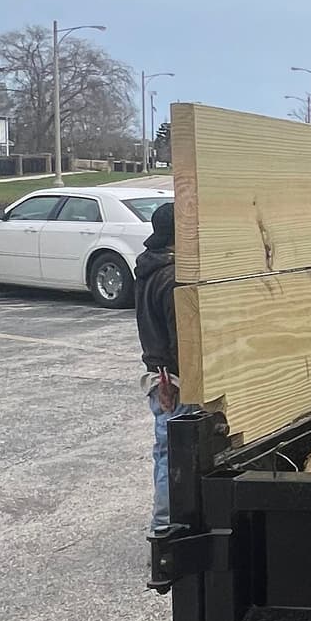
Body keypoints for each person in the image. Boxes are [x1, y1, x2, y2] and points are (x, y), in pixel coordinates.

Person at [135, 198, 180, 534]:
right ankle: (163, 531)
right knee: (173, 455)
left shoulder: (149, 266)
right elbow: (180, 340)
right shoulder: (171, 277)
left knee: (165, 452)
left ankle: (165, 526)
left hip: (158, 373)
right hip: (173, 381)